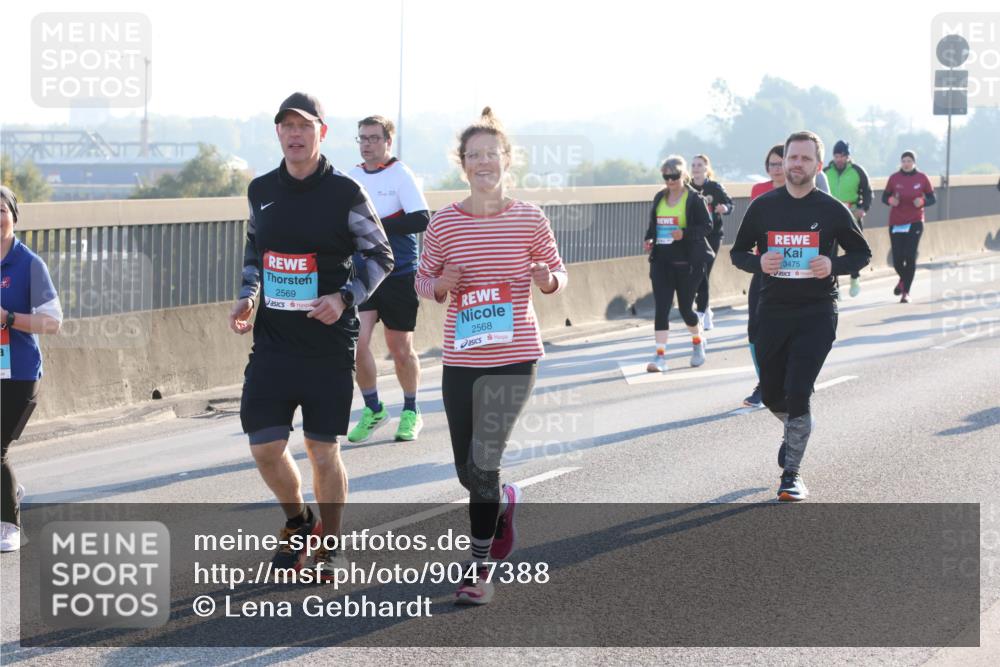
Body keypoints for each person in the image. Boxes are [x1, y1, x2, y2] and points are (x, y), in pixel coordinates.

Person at [229, 92, 393, 576]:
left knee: (323, 449)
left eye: (304, 126)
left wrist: (344, 297)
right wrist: (248, 296)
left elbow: (381, 255)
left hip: (327, 343)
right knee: (264, 446)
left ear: (322, 132)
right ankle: (300, 522)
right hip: (274, 341)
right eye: (286, 126)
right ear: (278, 133)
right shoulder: (261, 189)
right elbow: (255, 251)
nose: (295, 134)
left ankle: (331, 543)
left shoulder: (345, 193)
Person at [415, 108, 567, 604]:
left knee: (483, 462)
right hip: (462, 358)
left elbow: (558, 273)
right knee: (467, 469)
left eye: (492, 154)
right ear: (463, 165)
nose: (484, 162)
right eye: (474, 155)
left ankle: (479, 570)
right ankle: (503, 503)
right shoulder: (444, 224)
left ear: (507, 160)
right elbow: (420, 279)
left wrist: (547, 279)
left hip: (515, 355)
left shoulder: (529, 218)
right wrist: (439, 284)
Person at [731, 131, 871, 501]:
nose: (797, 164)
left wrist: (834, 264)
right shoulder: (763, 207)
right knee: (774, 393)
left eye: (806, 159)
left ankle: (791, 474)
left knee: (797, 391)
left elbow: (862, 254)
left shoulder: (831, 210)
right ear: (784, 161)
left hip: (817, 311)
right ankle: (795, 430)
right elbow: (737, 253)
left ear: (817, 166)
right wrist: (758, 262)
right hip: (772, 310)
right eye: (792, 157)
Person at [346, 115, 430, 443]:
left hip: (398, 273)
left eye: (374, 138)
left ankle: (411, 410)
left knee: (400, 348)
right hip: (363, 273)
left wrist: (374, 227)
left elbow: (421, 218)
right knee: (357, 344)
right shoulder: (350, 177)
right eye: (362, 138)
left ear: (387, 142)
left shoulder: (400, 174)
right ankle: (374, 408)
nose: (367, 144)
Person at [1, 186, 63, 552]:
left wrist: (8, 318)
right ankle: (5, 492)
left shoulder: (28, 264)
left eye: (1, 210)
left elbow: (53, 322)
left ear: (13, 215)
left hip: (20, 374)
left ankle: (9, 524)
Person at [643, 156, 714, 372]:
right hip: (662, 262)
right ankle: (660, 356)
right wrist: (649, 239)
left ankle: (698, 340)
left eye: (674, 176)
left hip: (687, 263)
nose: (670, 180)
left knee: (685, 309)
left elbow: (707, 226)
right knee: (661, 309)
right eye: (666, 176)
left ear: (683, 175)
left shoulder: (694, 199)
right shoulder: (659, 198)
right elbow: (653, 226)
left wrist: (684, 233)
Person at [743, 144, 786, 408]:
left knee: (783, 329)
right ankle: (765, 383)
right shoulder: (758, 191)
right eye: (771, 164)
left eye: (780, 163)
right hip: (764, 268)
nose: (776, 169)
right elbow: (751, 230)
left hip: (794, 271)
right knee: (755, 328)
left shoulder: (802, 192)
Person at [883, 150, 935, 303]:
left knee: (909, 256)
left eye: (909, 161)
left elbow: (932, 198)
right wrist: (890, 200)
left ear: (914, 162)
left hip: (915, 221)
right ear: (901, 162)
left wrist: (923, 202)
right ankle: (903, 279)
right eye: (904, 161)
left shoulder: (922, 178)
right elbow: (884, 197)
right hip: (896, 222)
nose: (906, 163)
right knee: (898, 259)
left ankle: (906, 292)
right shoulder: (894, 178)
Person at [824, 140, 873, 298]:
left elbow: (867, 192)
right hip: (830, 217)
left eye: (842, 156)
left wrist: (863, 209)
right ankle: (834, 287)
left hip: (851, 215)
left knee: (853, 249)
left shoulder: (857, 171)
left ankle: (854, 277)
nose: (839, 159)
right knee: (831, 253)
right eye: (836, 156)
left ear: (848, 156)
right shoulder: (825, 172)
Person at [690, 154, 733, 331]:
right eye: (693, 165)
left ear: (707, 168)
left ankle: (700, 313)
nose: (696, 168)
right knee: (696, 273)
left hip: (713, 236)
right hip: (693, 236)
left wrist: (724, 208)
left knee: (704, 271)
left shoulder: (714, 187)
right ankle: (705, 308)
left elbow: (730, 204)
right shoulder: (687, 188)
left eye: (700, 165)